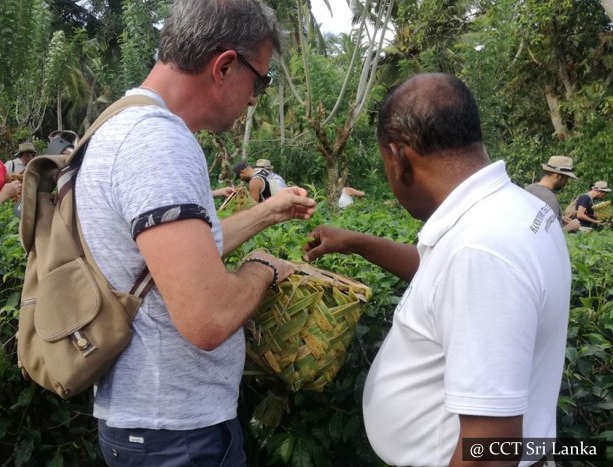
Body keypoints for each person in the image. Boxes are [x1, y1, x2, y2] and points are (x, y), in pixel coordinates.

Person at [74, 1, 315, 465]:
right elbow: (207, 318)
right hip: (176, 433)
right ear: (225, 65)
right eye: (260, 81)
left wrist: (269, 213)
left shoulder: (124, 122)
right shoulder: (158, 142)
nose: (253, 99)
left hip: (152, 425)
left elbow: (178, 255)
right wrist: (262, 267)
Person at [303, 73, 570, 467]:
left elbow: (489, 453)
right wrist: (356, 241)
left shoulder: (481, 250)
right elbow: (442, 280)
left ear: (398, 158)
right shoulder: (513, 210)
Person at [525, 155, 580, 232]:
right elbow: (551, 235)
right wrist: (570, 227)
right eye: (566, 179)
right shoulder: (550, 198)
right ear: (558, 176)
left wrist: (560, 217)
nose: (566, 183)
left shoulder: (529, 188)